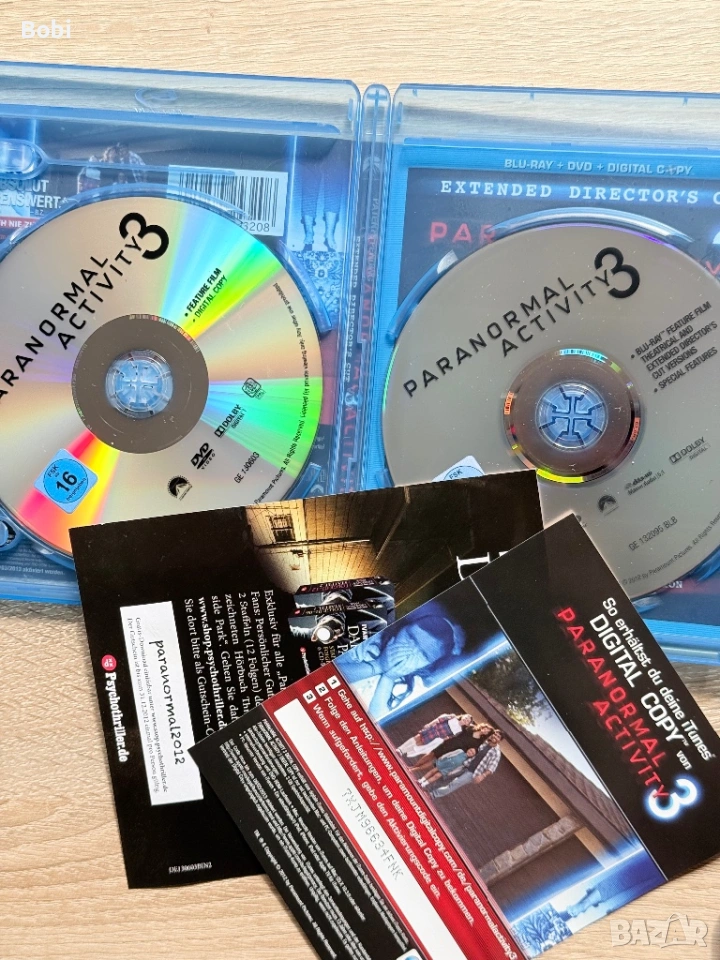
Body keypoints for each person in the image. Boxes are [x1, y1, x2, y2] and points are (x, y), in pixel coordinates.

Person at [339, 613, 465, 718]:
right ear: (403, 627)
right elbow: (331, 672)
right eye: (411, 637)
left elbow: (376, 720)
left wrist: (388, 679)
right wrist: (378, 666)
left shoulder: (417, 688)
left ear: (430, 664)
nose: (411, 651)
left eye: (424, 654)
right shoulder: (370, 639)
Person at [428, 730, 503, 798]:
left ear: (500, 740)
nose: (495, 736)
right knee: (445, 777)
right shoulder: (485, 743)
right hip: (465, 765)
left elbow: (491, 768)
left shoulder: (496, 753)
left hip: (472, 773)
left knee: (455, 783)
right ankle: (429, 790)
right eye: (495, 734)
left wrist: (482, 776)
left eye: (498, 737)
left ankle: (433, 795)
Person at [397, 712, 474, 760]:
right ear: (463, 716)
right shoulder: (452, 717)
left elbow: (449, 737)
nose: (466, 720)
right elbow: (438, 720)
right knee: (416, 738)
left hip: (436, 737)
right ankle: (400, 749)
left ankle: (402, 752)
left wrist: (439, 740)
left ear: (467, 724)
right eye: (466, 718)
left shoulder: (459, 730)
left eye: (467, 721)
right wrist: (429, 724)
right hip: (433, 729)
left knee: (419, 744)